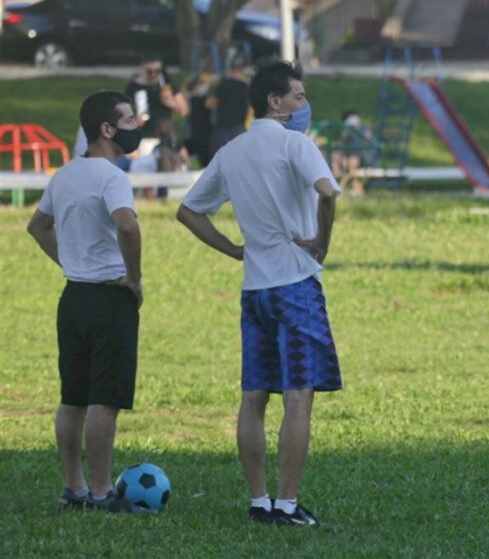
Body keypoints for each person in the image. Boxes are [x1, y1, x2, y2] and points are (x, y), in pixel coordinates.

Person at [176, 58, 342, 527]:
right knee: (298, 396)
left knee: (253, 397)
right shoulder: (296, 144)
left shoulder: (231, 151)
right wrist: (320, 244)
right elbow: (328, 194)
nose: (304, 104)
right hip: (296, 285)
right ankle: (287, 506)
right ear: (275, 102)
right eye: (299, 96)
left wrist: (233, 249)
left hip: (256, 291)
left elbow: (189, 212)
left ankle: (259, 501)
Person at [26, 90, 151, 514]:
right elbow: (127, 227)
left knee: (73, 397)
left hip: (74, 297)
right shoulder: (112, 177)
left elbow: (38, 226)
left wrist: (70, 260)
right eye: (129, 120)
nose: (136, 126)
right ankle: (101, 494)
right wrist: (133, 278)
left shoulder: (64, 175)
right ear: (107, 129)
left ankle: (74, 489)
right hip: (110, 298)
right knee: (105, 399)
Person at [124, 56, 189, 174]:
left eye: (157, 71)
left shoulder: (167, 85)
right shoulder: (133, 86)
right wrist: (134, 121)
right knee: (145, 170)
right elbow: (125, 113)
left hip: (165, 135)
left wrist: (171, 103)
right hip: (145, 135)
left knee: (167, 167)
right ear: (143, 68)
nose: (154, 74)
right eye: (150, 71)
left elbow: (184, 110)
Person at [207, 56, 251, 159]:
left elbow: (213, 103)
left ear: (230, 71)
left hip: (222, 127)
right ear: (241, 72)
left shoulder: (222, 84)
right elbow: (249, 108)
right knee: (240, 158)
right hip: (239, 127)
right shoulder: (246, 87)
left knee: (219, 158)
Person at [331, 111, 376, 197]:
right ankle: (337, 186)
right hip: (349, 159)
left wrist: (356, 131)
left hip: (365, 158)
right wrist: (346, 132)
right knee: (336, 156)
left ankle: (358, 189)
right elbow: (340, 146)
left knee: (353, 161)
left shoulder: (365, 128)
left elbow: (367, 141)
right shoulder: (345, 132)